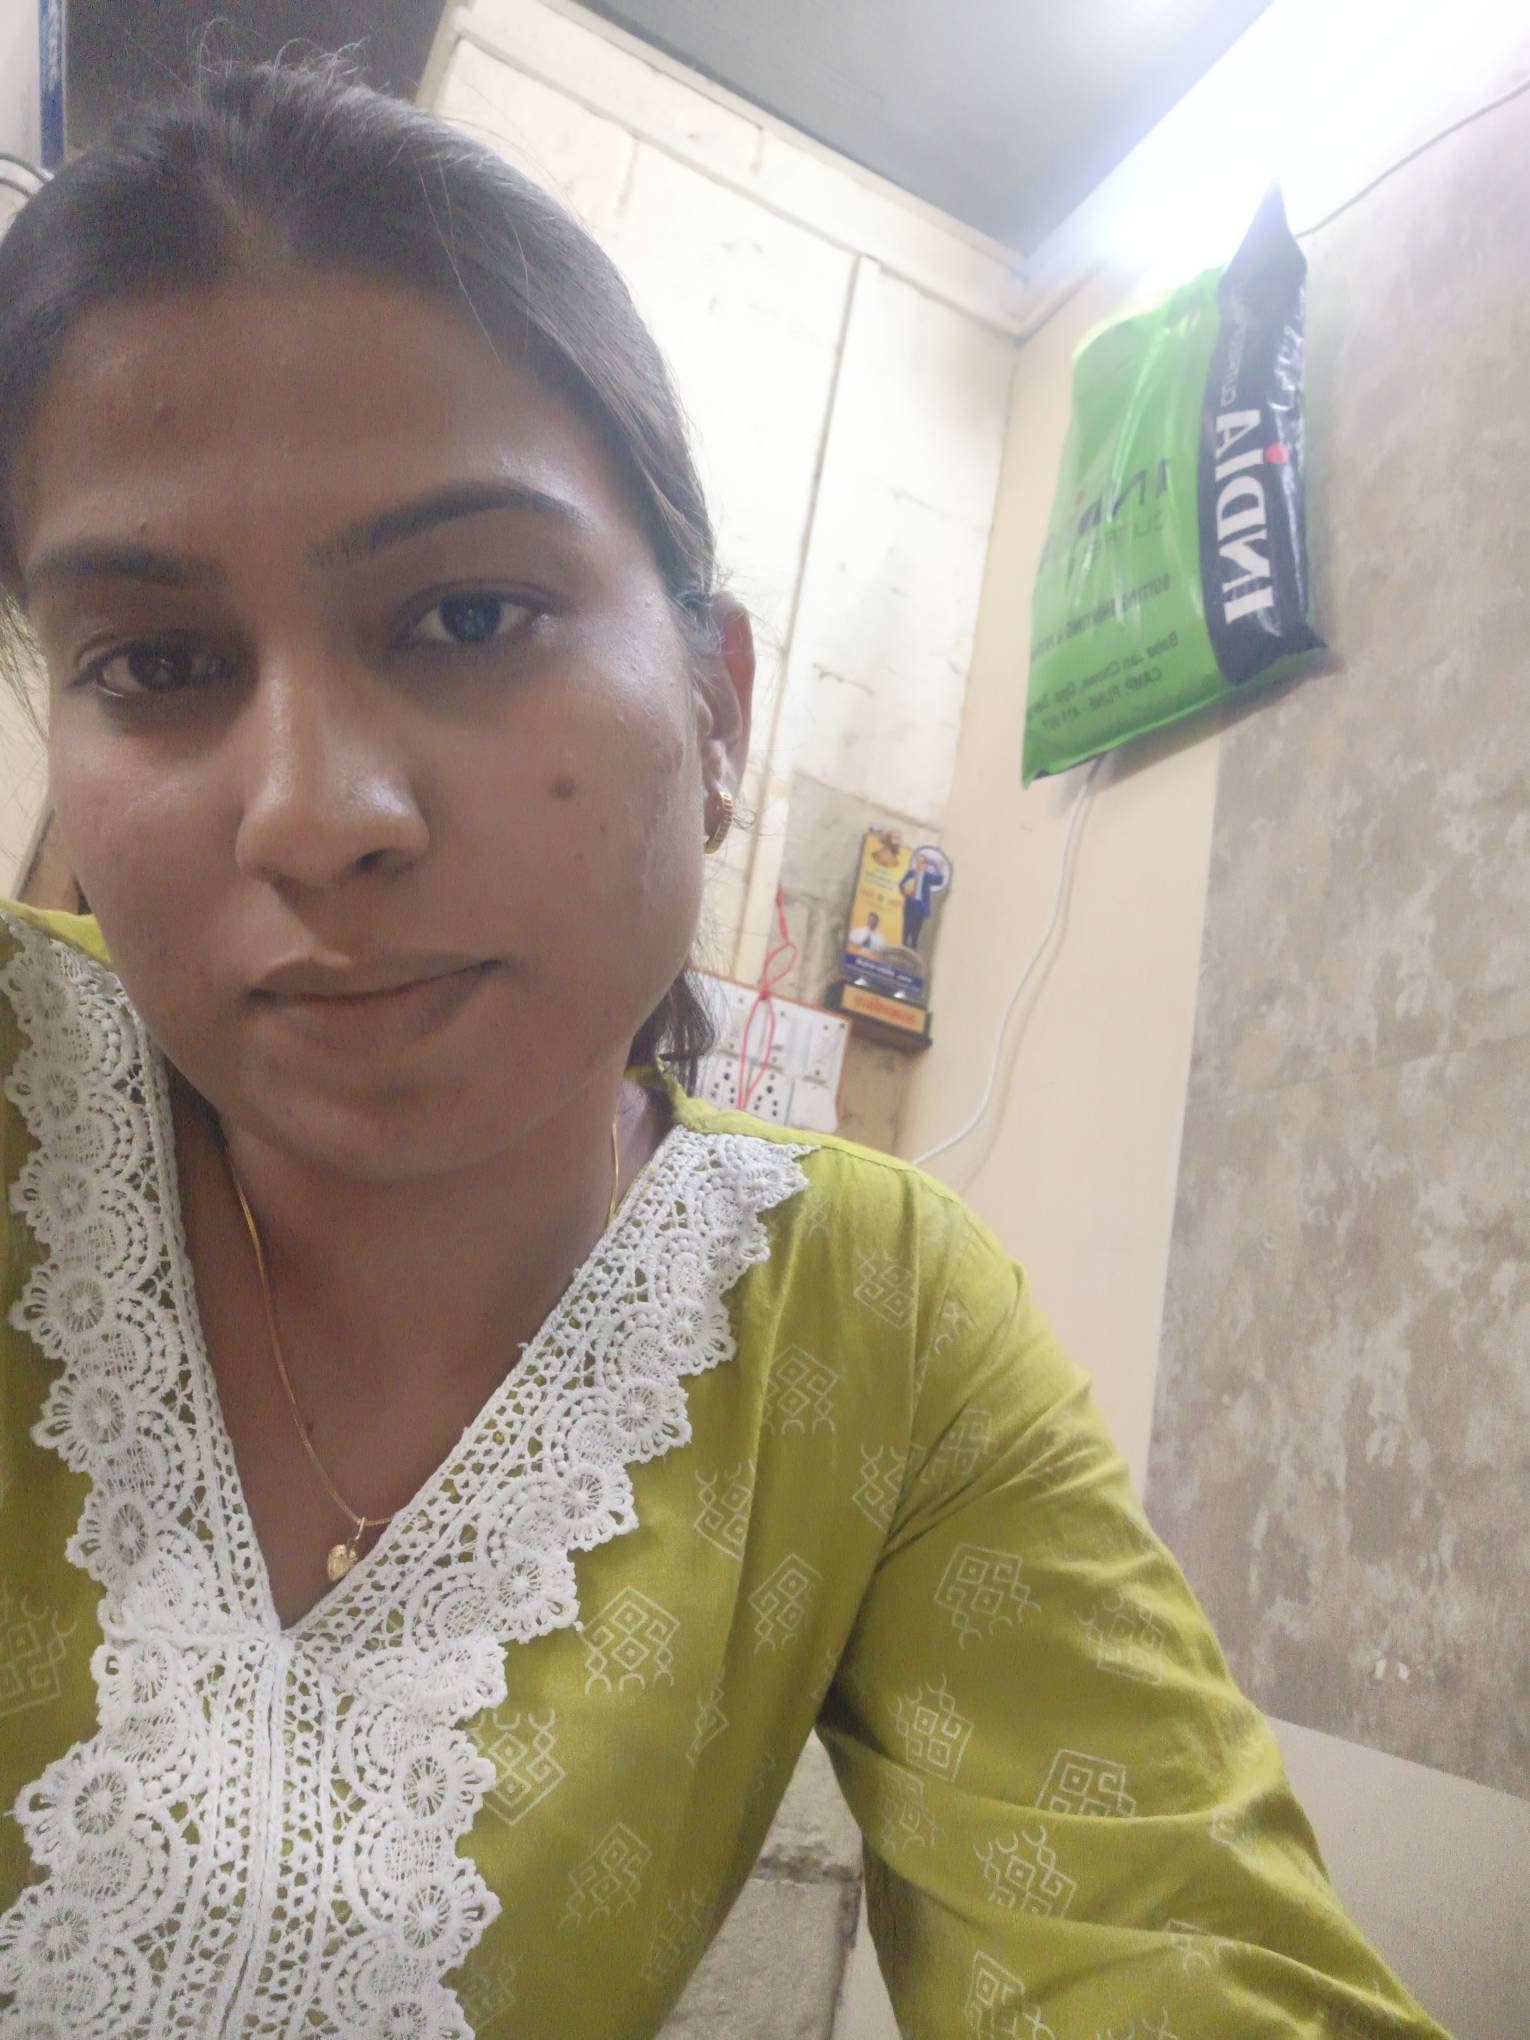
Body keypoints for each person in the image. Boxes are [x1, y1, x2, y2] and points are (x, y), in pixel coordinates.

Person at [0, 62, 1446, 2040]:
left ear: (717, 708)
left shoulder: (879, 1323)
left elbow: (1165, 1951)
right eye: (157, 663)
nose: (313, 813)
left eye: (468, 612)